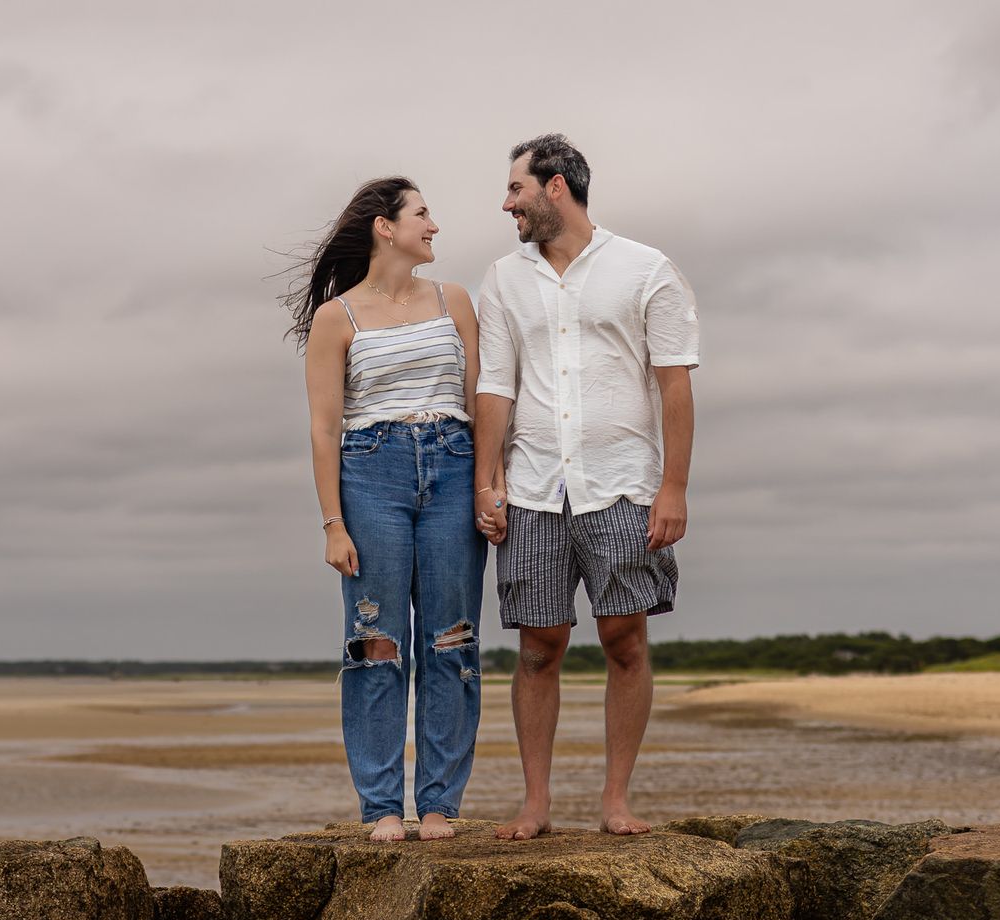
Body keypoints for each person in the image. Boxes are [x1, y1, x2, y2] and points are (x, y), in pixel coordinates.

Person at [472, 134, 699, 838]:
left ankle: (615, 801)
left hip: (624, 484)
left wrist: (674, 488)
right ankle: (535, 803)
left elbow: (674, 384)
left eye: (516, 189)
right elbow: (494, 385)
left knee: (624, 638)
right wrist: (488, 480)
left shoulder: (646, 269)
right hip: (535, 486)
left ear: (556, 187)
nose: (506, 202)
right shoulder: (503, 280)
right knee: (539, 645)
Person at [287, 177, 485, 842]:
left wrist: (490, 483)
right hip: (373, 474)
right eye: (423, 214)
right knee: (376, 646)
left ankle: (437, 805)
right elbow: (323, 429)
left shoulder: (454, 300)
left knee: (451, 639)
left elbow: (479, 399)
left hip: (454, 469)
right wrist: (332, 523)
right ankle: (381, 807)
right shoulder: (336, 319)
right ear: (385, 226)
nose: (433, 226)